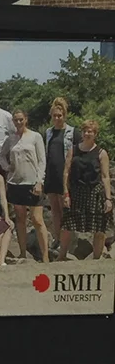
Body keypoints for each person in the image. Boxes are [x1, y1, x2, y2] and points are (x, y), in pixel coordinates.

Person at [0, 109, 49, 263]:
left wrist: (40, 181)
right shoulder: (10, 139)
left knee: (37, 220)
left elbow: (42, 160)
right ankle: (22, 253)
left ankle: (45, 256)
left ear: (26, 119)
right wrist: (7, 167)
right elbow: (1, 155)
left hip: (33, 182)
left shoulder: (35, 136)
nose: (19, 122)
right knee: (20, 219)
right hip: (15, 183)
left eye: (21, 119)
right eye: (16, 120)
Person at [63, 119, 111, 261]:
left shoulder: (101, 153)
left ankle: (96, 258)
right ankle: (61, 256)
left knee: (99, 226)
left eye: (90, 131)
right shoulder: (73, 150)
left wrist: (108, 199)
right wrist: (66, 193)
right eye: (85, 131)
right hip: (76, 191)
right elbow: (66, 173)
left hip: (94, 192)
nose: (87, 134)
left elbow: (105, 176)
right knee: (67, 225)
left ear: (95, 134)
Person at [45, 97, 76, 258]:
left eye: (60, 115)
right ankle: (57, 238)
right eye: (54, 115)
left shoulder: (72, 132)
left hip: (65, 176)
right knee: (55, 211)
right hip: (51, 174)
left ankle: (66, 243)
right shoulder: (48, 132)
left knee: (65, 211)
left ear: (64, 115)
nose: (57, 118)